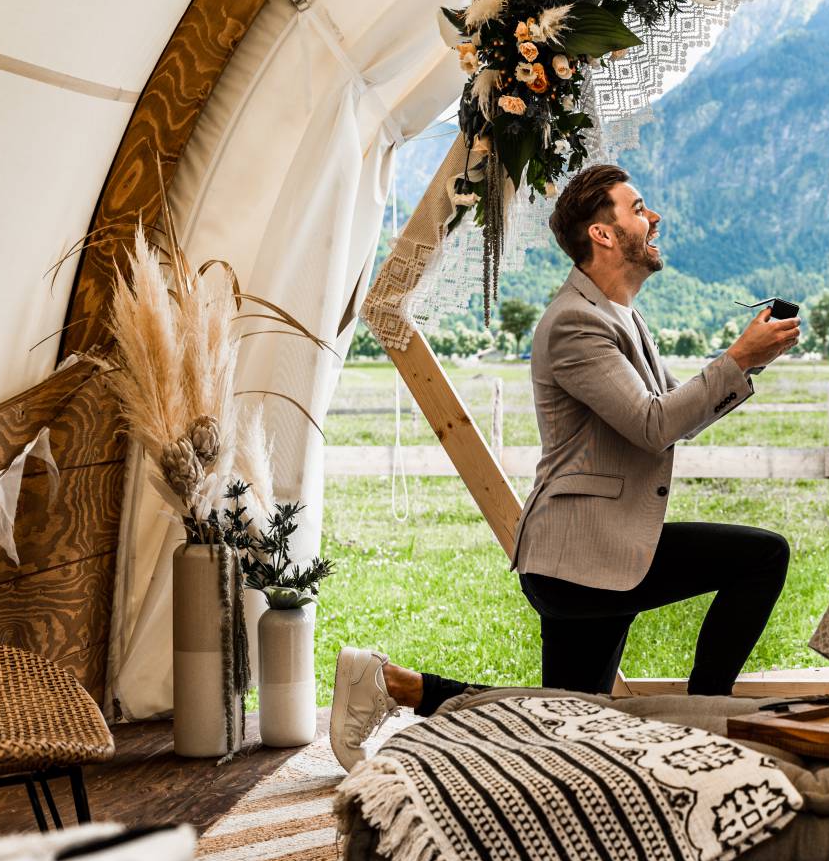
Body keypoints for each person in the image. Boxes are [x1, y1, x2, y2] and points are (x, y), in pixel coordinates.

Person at [329, 163, 801, 770]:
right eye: (638, 207)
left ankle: (395, 684)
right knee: (762, 558)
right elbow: (654, 424)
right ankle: (707, 721)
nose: (653, 217)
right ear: (603, 234)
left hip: (598, 551)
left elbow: (663, 421)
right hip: (581, 557)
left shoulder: (618, 314)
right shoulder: (577, 322)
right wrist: (735, 358)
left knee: (568, 726)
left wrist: (747, 363)